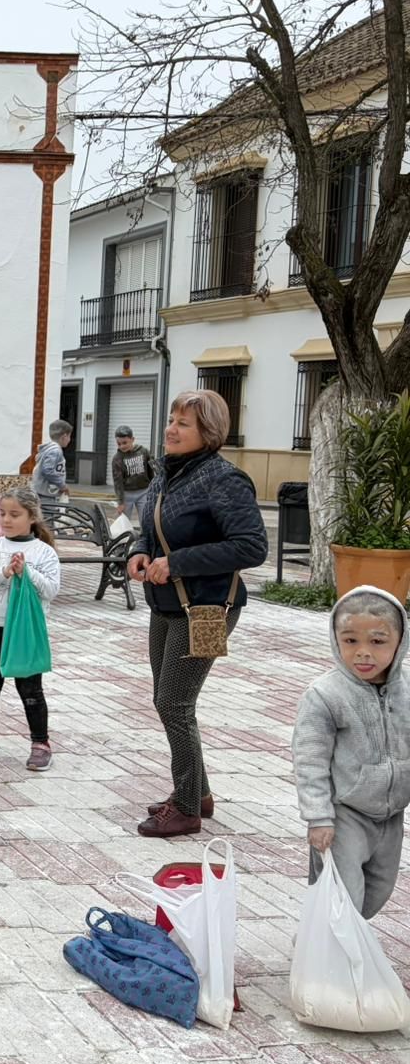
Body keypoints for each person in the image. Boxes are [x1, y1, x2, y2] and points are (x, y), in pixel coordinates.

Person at [127, 389, 268, 838]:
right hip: (167, 605)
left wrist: (178, 563)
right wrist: (139, 550)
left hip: (208, 608)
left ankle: (186, 808)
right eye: (171, 419)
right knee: (167, 701)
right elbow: (149, 525)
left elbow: (251, 546)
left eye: (183, 423)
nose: (171, 428)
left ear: (208, 433)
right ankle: (199, 794)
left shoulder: (223, 479)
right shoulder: (166, 475)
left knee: (174, 703)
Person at [292, 587, 409, 919]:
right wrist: (318, 817)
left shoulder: (406, 692)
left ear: (400, 642)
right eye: (350, 640)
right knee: (343, 895)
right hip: (344, 814)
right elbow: (309, 759)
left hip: (390, 816)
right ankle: (332, 959)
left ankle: (331, 942)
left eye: (377, 641)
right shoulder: (325, 695)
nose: (363, 653)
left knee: (378, 891)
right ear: (336, 640)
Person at [0, 486, 62, 771]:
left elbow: (52, 590)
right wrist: (4, 572)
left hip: (25, 630)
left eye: (15, 514)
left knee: (30, 688)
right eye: (3, 513)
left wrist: (26, 572)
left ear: (32, 517)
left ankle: (40, 743)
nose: (6, 519)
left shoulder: (44, 552)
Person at [112, 425, 156, 524]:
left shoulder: (143, 452)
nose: (122, 446)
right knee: (124, 521)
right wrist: (120, 502)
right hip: (127, 494)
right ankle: (123, 538)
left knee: (145, 519)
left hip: (144, 492)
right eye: (118, 443)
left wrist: (152, 489)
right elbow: (118, 482)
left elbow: (151, 471)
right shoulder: (117, 459)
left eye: (124, 443)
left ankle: (145, 537)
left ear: (132, 439)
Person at [32, 419, 72, 501]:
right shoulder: (55, 451)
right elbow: (47, 470)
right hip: (45, 494)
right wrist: (62, 485)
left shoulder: (49, 449)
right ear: (64, 437)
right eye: (69, 436)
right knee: (48, 512)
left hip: (42, 492)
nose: (69, 440)